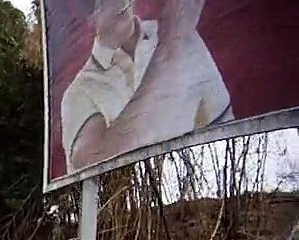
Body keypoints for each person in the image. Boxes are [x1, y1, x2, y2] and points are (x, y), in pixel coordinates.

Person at [61, 0, 233, 173]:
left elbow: (225, 126)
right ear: (90, 17)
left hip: (199, 180)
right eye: (104, 2)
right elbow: (94, 168)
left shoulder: (179, 33)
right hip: (141, 195)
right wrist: (169, 48)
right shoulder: (79, 93)